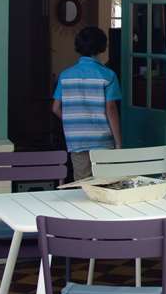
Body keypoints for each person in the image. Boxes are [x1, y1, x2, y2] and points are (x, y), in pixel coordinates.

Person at [51, 26, 122, 181]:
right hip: (102, 139)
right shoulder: (108, 75)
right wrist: (118, 142)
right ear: (102, 47)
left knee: (83, 183)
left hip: (76, 140)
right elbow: (111, 109)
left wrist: (72, 121)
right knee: (105, 182)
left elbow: (55, 108)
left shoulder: (65, 76)